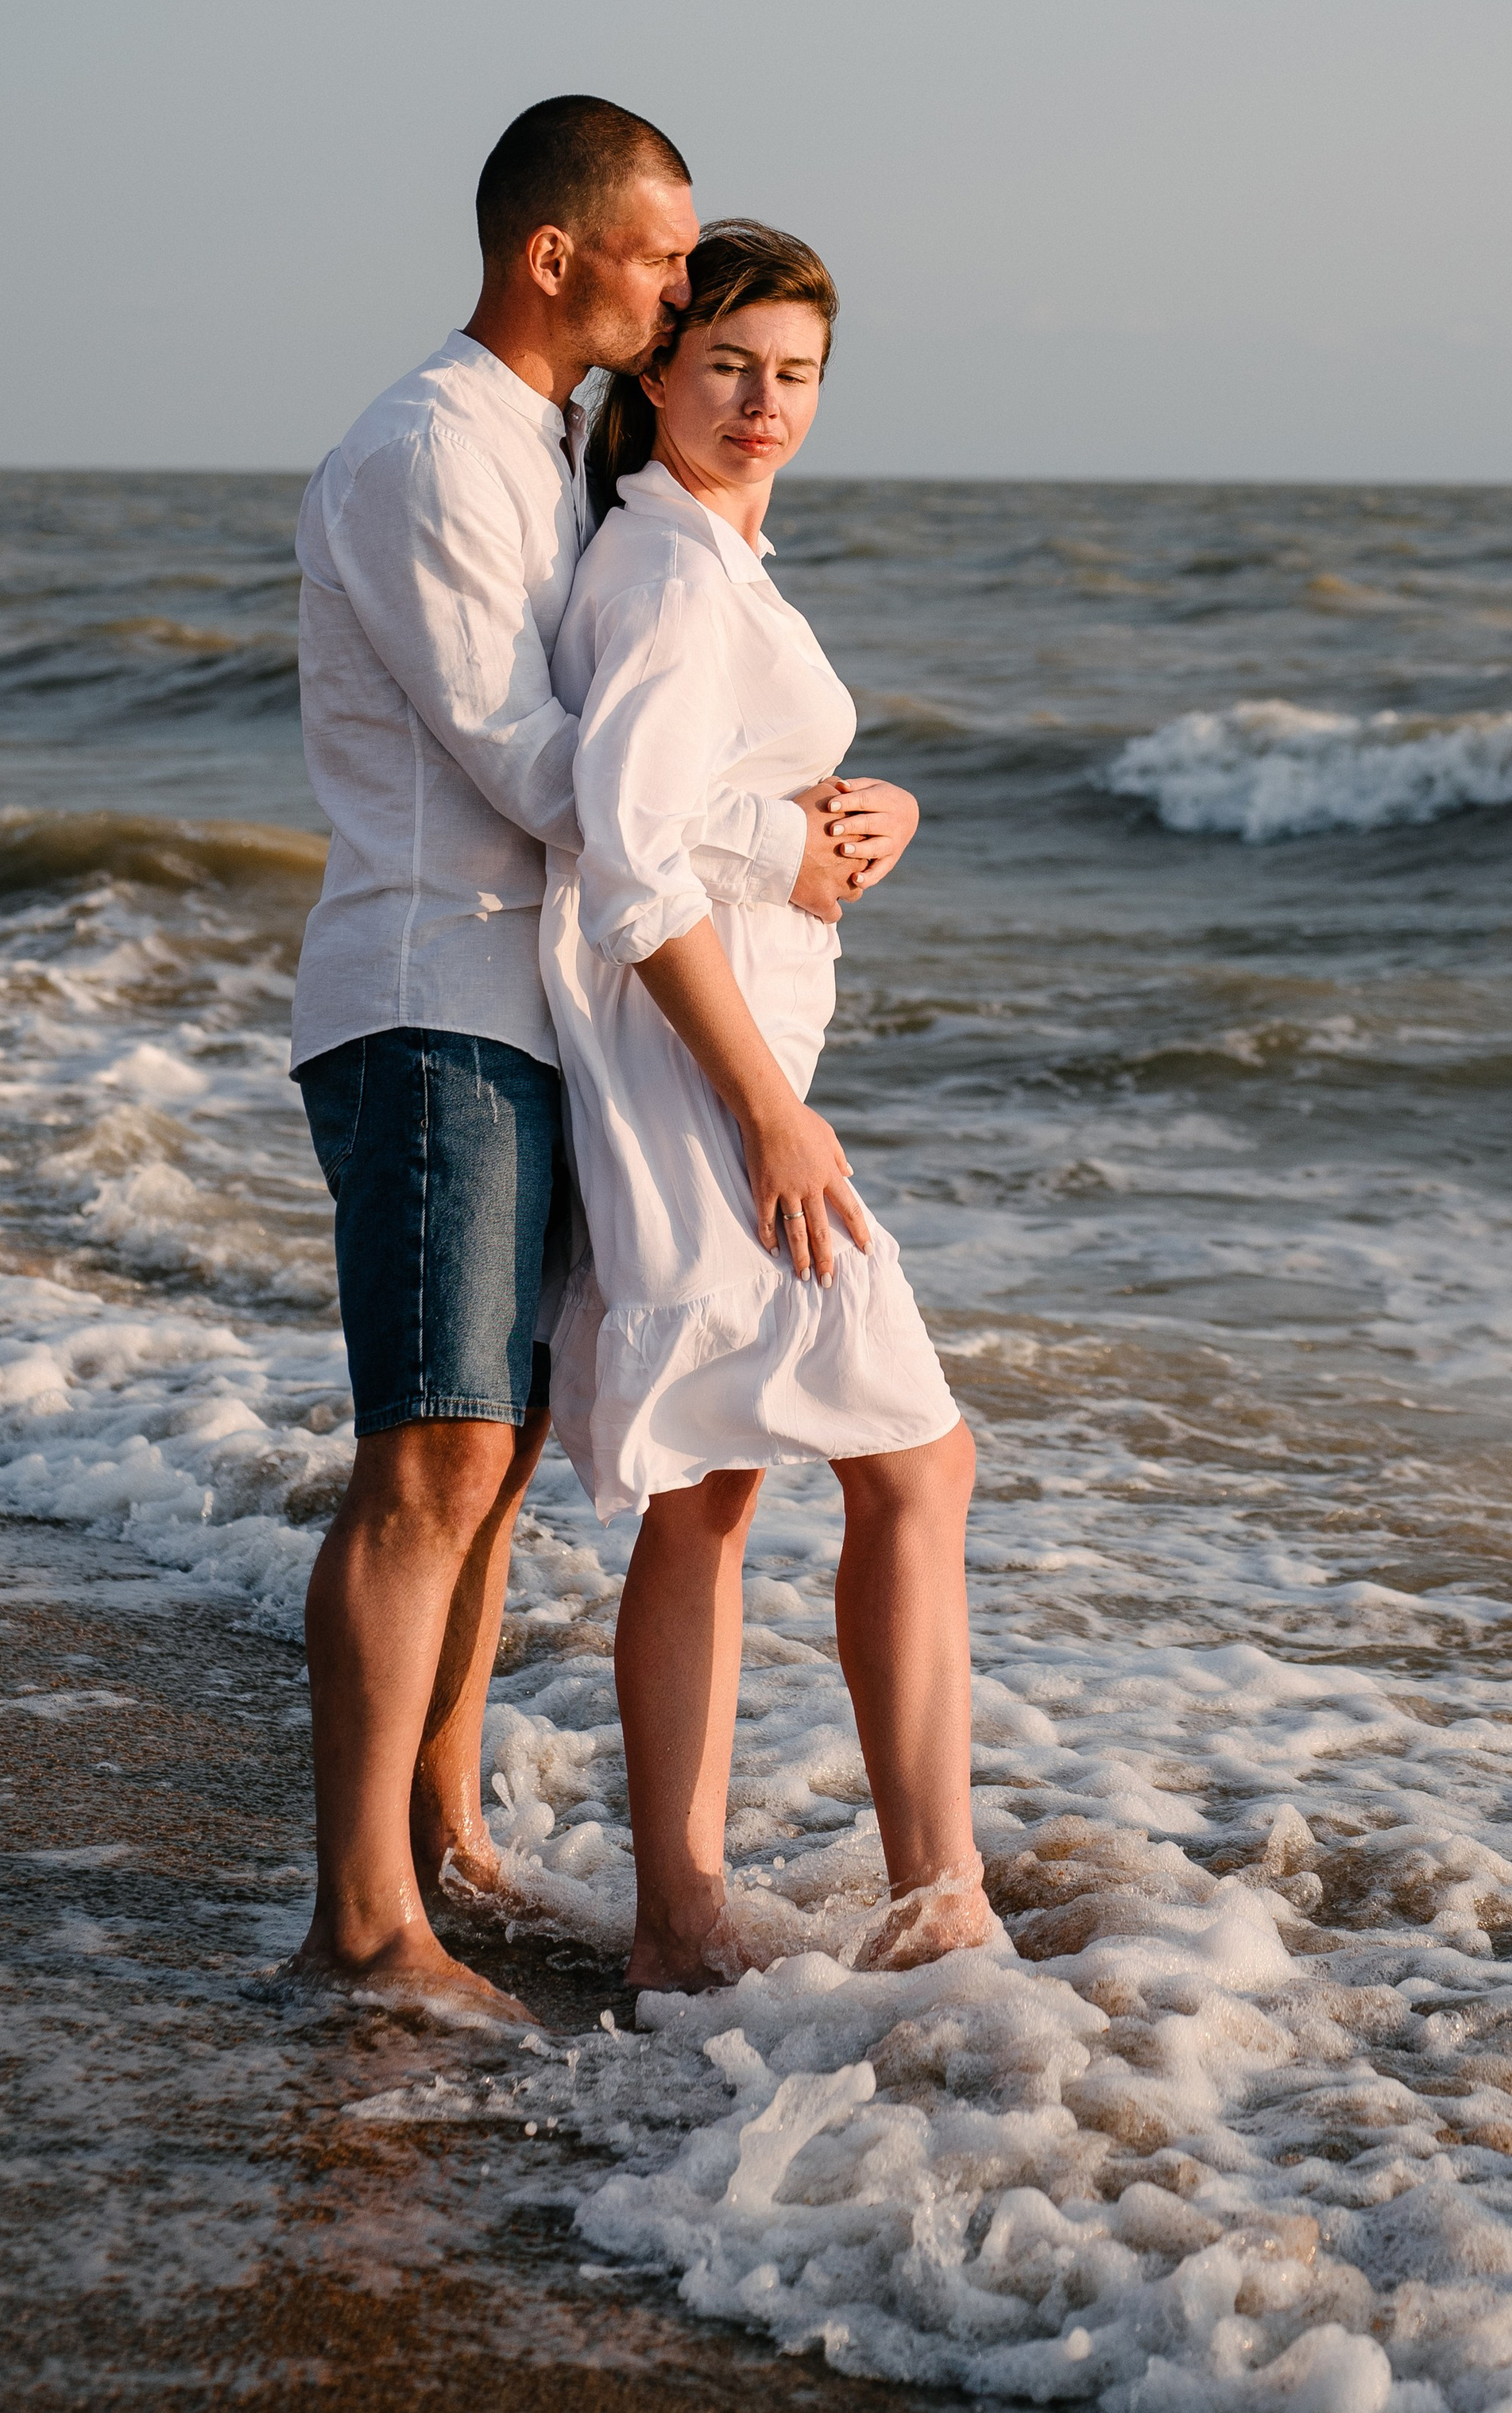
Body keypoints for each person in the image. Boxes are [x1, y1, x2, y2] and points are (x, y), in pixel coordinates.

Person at [287, 101, 918, 2007]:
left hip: (527, 1007)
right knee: (431, 1451)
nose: (677, 287)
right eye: (660, 259)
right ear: (556, 254)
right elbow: (538, 764)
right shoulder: (429, 453)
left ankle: (444, 1843)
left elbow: (647, 749)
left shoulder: (548, 453)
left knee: (500, 1449)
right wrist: (774, 841)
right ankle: (359, 1925)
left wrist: (822, 808)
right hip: (429, 1000)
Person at [543, 220, 992, 1990]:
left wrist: (869, 817)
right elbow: (625, 857)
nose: (762, 402)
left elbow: (719, 805)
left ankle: (683, 1916)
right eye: (727, 364)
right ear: (655, 369)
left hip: (728, 1067)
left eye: (794, 372)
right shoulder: (660, 572)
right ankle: (929, 1894)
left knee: (717, 1489)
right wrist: (763, 1118)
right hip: (701, 1080)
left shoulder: (712, 564)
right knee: (917, 1465)